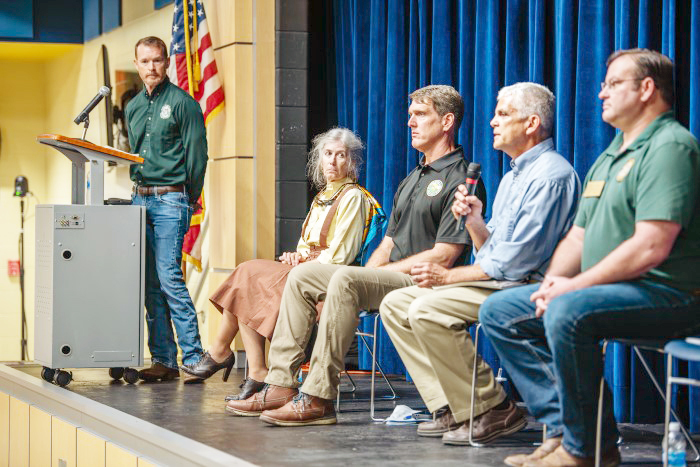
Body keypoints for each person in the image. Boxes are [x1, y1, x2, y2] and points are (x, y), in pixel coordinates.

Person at [480, 49, 700, 467]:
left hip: (671, 293)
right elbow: (578, 237)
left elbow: (652, 245)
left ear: (647, 89)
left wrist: (574, 285)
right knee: (500, 310)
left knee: (568, 310)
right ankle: (571, 432)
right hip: (616, 289)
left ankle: (583, 451)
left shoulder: (671, 147)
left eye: (614, 83)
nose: (601, 93)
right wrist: (550, 284)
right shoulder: (610, 154)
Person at [226, 84, 486, 426]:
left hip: (427, 280)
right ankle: (280, 385)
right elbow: (388, 244)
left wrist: (369, 276)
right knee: (303, 276)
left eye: (420, 115)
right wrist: (370, 275)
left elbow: (445, 255)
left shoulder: (459, 178)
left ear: (447, 121)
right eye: (410, 115)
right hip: (393, 276)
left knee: (347, 278)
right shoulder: (412, 180)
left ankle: (318, 397)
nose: (410, 123)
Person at [379, 82, 580, 445]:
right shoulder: (510, 178)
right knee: (395, 303)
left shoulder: (550, 175)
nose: (492, 122)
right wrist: (475, 223)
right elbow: (492, 252)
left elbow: (516, 263)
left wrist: (447, 276)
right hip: (501, 280)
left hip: (527, 287)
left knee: (426, 309)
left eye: (503, 114)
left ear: (532, 123)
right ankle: (450, 406)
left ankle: (490, 408)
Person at [181, 128, 373, 396]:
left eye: (340, 155)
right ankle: (252, 368)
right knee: (247, 278)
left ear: (351, 162)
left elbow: (340, 256)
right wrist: (297, 256)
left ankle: (223, 354)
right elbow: (306, 247)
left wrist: (302, 262)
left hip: (331, 278)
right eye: (327, 154)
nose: (332, 161)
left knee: (249, 275)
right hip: (308, 270)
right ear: (319, 160)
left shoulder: (353, 197)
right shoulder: (322, 197)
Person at [127, 36, 207, 382]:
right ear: (137, 64)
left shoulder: (183, 103)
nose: (152, 67)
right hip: (139, 199)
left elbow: (197, 158)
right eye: (145, 62)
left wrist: (189, 199)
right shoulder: (131, 107)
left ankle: (194, 355)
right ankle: (163, 359)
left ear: (167, 62)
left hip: (171, 199)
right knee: (148, 283)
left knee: (169, 277)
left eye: (157, 60)